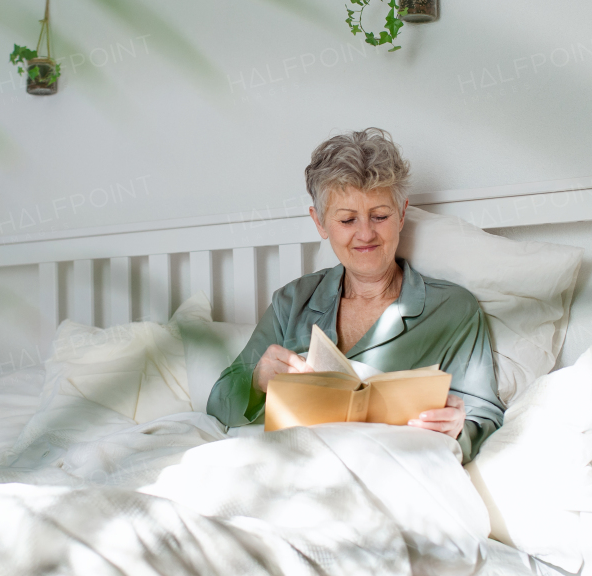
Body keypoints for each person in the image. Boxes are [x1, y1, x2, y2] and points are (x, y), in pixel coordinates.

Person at [206, 128, 504, 461]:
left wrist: (459, 429)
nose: (366, 234)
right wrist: (257, 379)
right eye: (347, 220)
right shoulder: (292, 302)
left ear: (402, 213)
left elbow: (486, 416)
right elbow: (219, 404)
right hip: (293, 469)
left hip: (389, 471)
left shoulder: (452, 309)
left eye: (380, 216)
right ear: (319, 222)